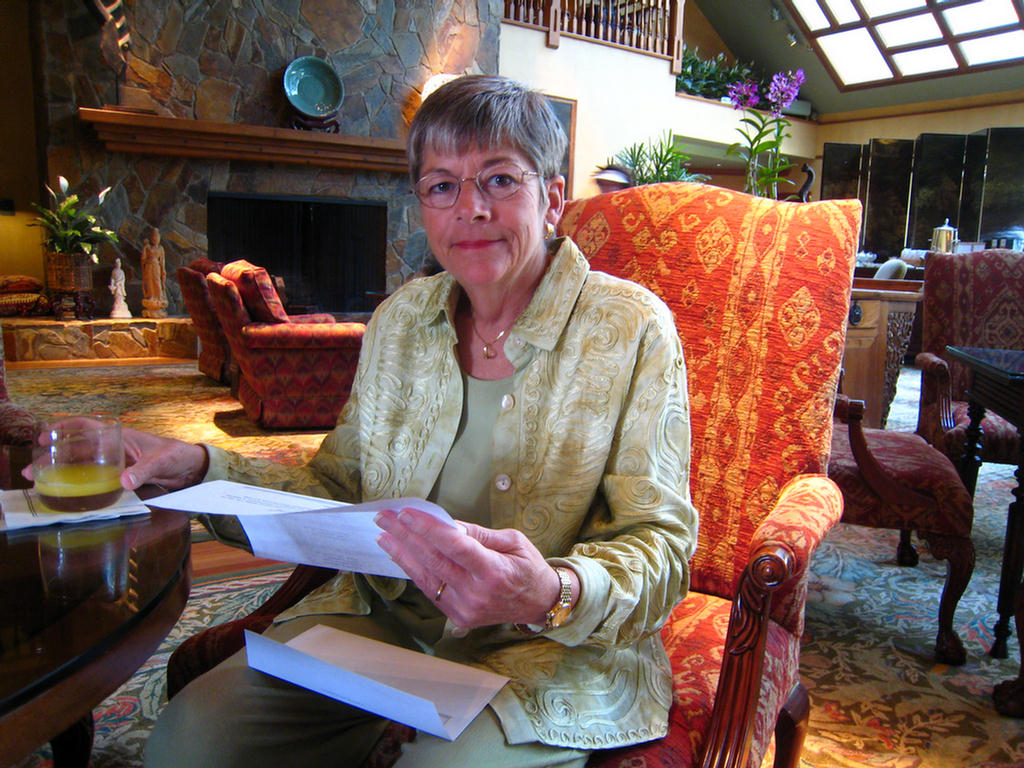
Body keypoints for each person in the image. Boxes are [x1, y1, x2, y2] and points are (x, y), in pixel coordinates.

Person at [53, 75, 698, 767]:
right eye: (442, 186)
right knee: (192, 741)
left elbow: (660, 543)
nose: (470, 209)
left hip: (547, 647)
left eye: (500, 180)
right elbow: (338, 485)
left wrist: (551, 592)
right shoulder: (399, 322)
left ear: (553, 199)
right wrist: (204, 467)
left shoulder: (632, 329)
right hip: (380, 618)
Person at [141, 227, 167, 318]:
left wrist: (163, 270)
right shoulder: (148, 248)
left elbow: (162, 261)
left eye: (157, 237)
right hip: (149, 266)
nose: (155, 239)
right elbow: (143, 259)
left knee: (157, 282)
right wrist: (145, 248)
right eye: (153, 237)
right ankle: (151, 296)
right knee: (150, 282)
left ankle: (159, 297)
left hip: (156, 267)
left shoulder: (160, 248)